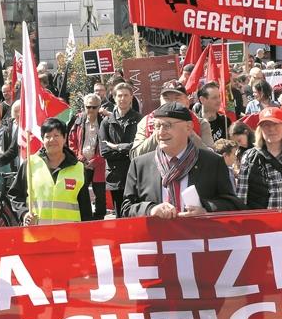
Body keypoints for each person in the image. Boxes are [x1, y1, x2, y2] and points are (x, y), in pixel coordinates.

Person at [122, 101, 243, 319]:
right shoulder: (142, 164)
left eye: (167, 126)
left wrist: (206, 208)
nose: (160, 132)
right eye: (156, 126)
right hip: (152, 268)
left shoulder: (211, 163)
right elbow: (125, 206)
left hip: (197, 266)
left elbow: (233, 205)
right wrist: (150, 208)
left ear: (188, 129)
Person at [8, 117, 93, 224]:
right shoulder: (30, 164)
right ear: (42, 139)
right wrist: (24, 213)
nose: (52, 140)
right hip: (37, 235)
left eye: (56, 135)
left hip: (69, 235)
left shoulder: (78, 168)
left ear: (64, 137)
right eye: (47, 136)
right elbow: (15, 194)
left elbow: (85, 207)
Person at [236, 107, 282, 209]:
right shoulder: (249, 157)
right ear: (260, 130)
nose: (271, 129)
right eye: (266, 125)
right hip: (263, 222)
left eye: (275, 124)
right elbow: (241, 196)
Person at [130, 81, 212, 159]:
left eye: (177, 98)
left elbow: (211, 156)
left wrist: (188, 131)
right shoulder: (146, 122)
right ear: (160, 101)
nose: (172, 103)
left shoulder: (201, 123)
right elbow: (135, 156)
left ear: (187, 102)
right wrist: (158, 130)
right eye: (167, 98)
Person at [99, 83, 141, 218]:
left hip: (135, 173)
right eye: (119, 95)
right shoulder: (106, 122)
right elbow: (104, 151)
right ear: (114, 97)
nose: (122, 98)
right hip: (115, 176)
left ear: (131, 97)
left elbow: (140, 147)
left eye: (126, 95)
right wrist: (128, 149)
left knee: (135, 212)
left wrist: (117, 147)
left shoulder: (139, 119)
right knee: (120, 215)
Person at [68, 93, 108, 220]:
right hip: (82, 163)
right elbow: (71, 141)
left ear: (99, 107)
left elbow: (107, 144)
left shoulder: (104, 122)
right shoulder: (78, 121)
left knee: (100, 195)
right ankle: (85, 218)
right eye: (88, 107)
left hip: (99, 165)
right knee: (82, 193)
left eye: (94, 107)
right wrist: (80, 157)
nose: (90, 110)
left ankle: (100, 219)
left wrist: (97, 160)